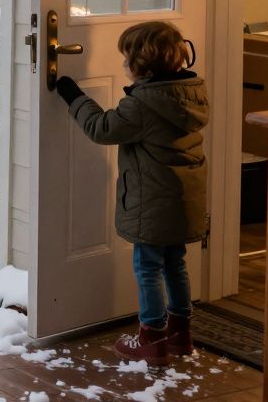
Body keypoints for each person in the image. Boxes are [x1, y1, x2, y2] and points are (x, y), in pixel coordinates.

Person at [54, 21, 208, 364]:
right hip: (183, 199)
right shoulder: (192, 92)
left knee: (148, 267)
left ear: (141, 65)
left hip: (152, 202)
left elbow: (102, 128)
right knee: (175, 263)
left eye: (127, 58)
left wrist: (74, 96)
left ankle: (151, 337)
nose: (123, 64)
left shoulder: (143, 104)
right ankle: (181, 334)